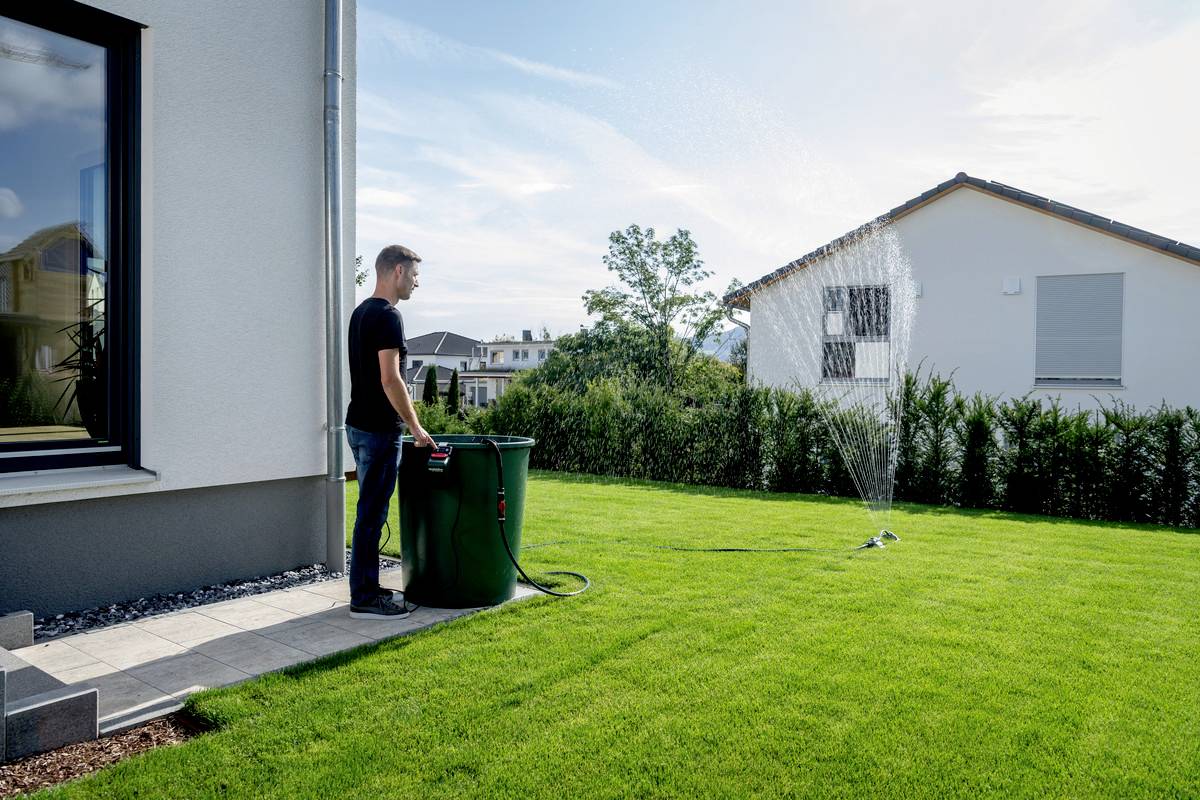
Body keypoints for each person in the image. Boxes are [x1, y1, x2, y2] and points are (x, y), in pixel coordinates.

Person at [345, 244, 435, 618]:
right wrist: (415, 426)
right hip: (380, 430)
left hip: (357, 425)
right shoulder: (389, 317)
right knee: (371, 513)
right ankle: (364, 598)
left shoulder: (360, 313)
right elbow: (390, 377)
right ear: (397, 271)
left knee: (369, 512)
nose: (417, 283)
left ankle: (366, 587)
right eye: (414, 275)